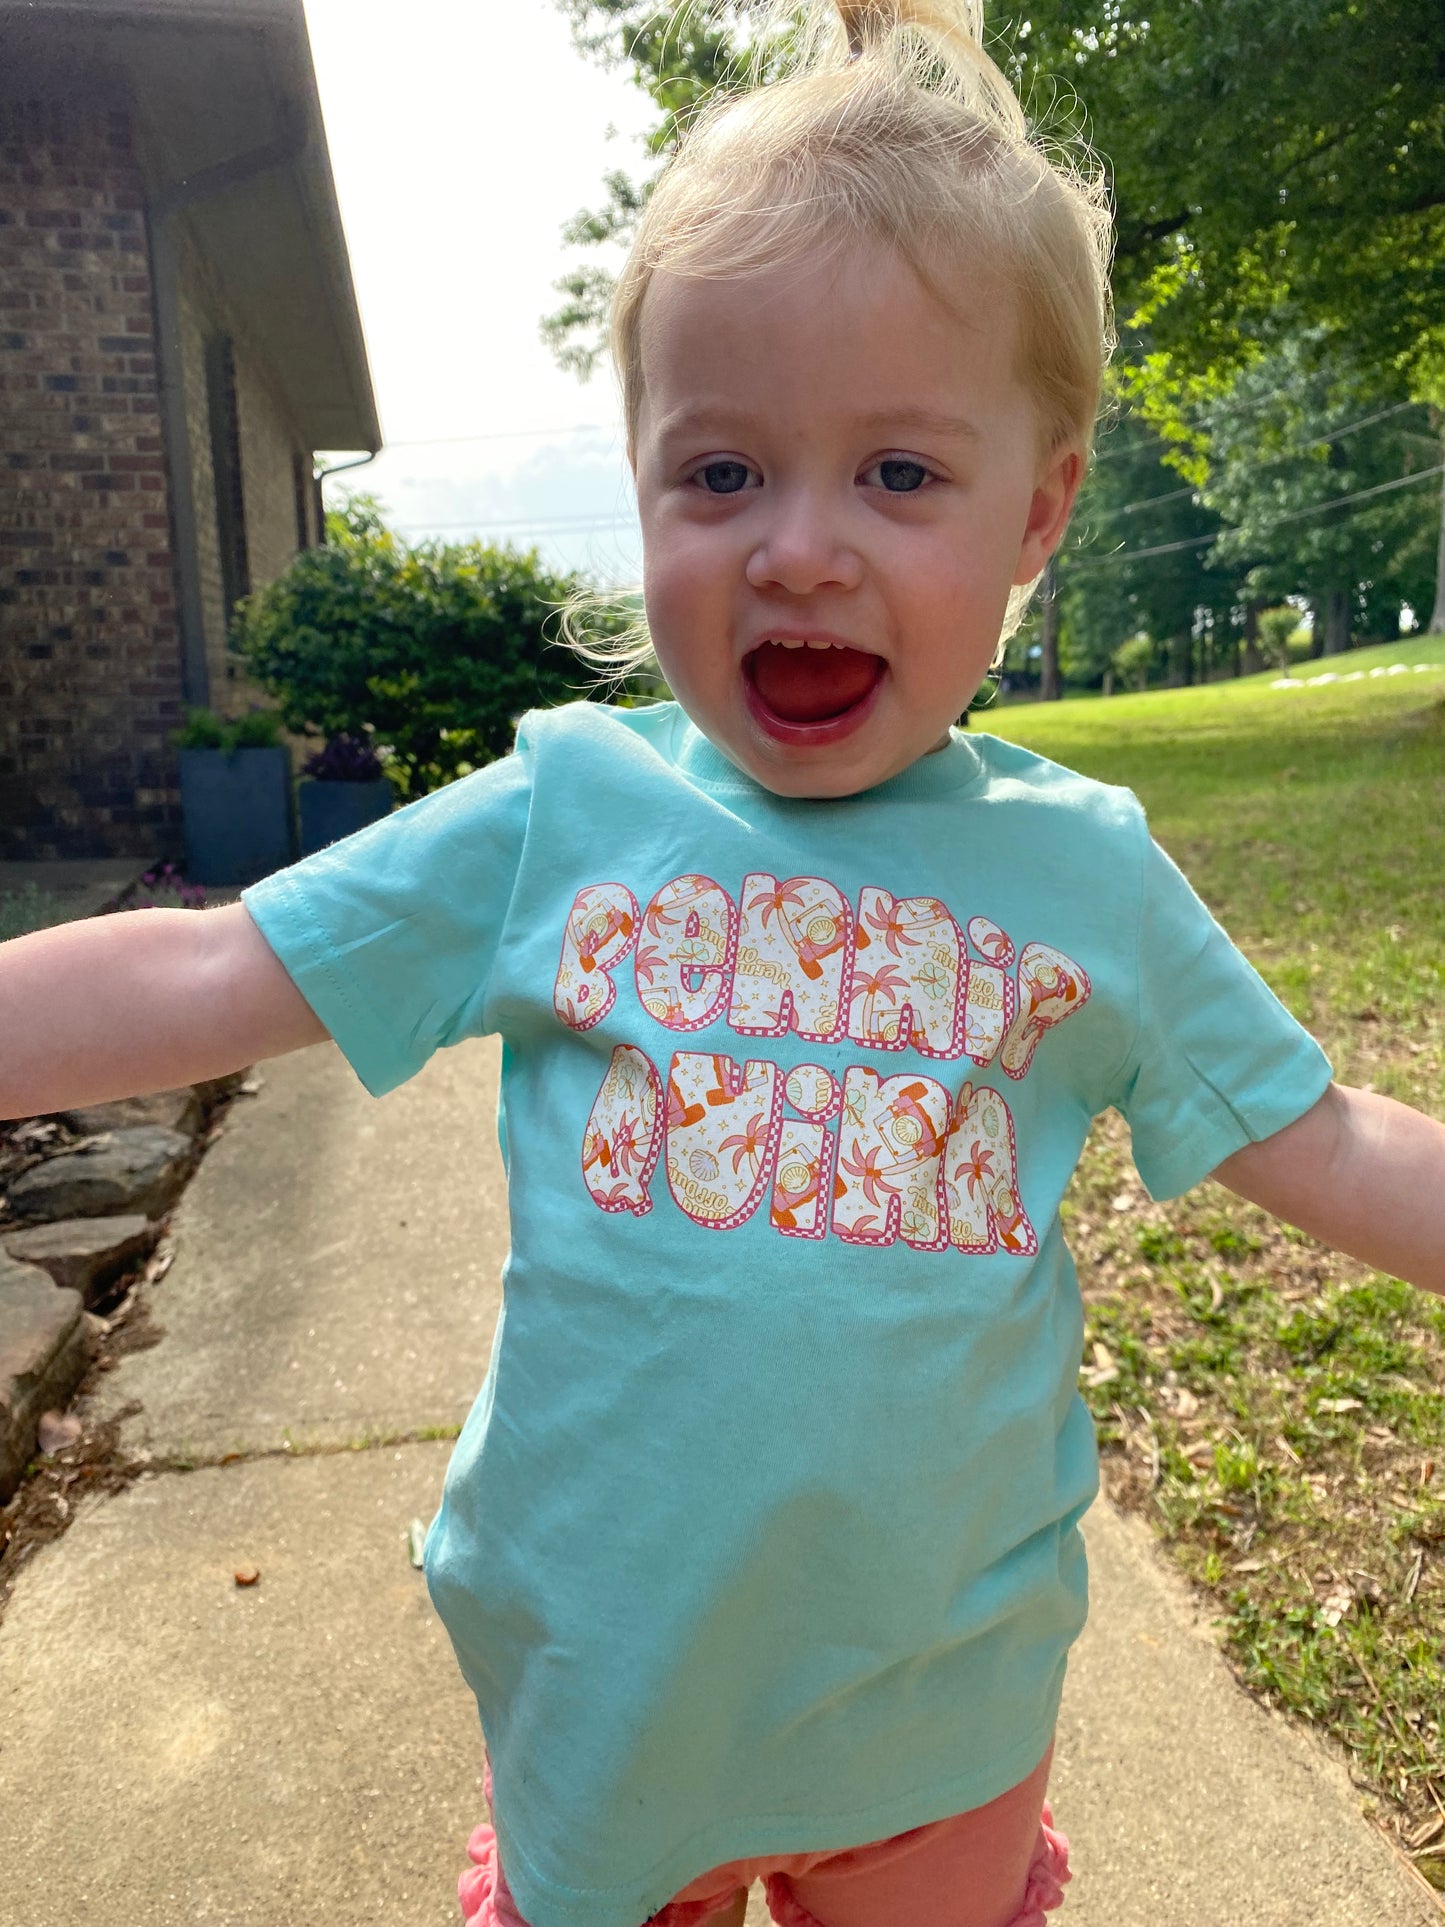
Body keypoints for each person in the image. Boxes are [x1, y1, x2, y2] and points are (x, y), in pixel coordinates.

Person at [3, 2, 1442, 1923]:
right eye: (723, 472)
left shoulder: (1077, 881)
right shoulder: (563, 817)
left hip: (934, 1707)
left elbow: (1321, 1135)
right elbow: (206, 976)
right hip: (613, 1691)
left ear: (1040, 508)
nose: (799, 551)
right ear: (642, 478)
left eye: (900, 477)